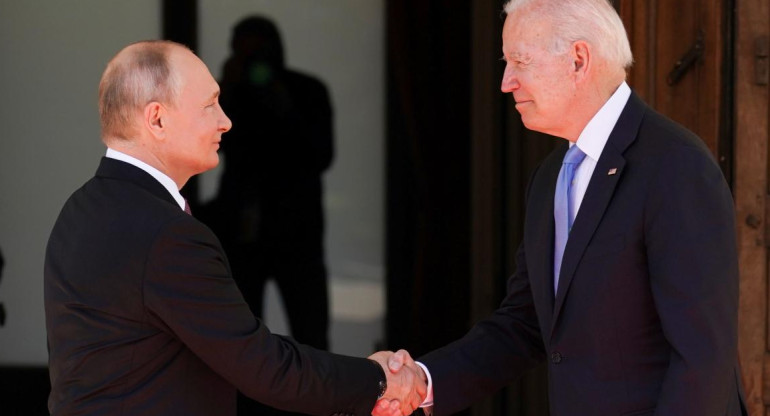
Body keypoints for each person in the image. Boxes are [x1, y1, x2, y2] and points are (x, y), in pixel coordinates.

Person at [377, 0, 748, 415]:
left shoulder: (675, 166)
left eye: (519, 61)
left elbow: (703, 360)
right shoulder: (551, 175)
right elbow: (524, 323)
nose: (506, 81)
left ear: (578, 60)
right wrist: (422, 382)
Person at [43, 40, 425, 416]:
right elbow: (265, 367)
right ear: (157, 119)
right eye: (209, 105)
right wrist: (378, 379)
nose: (226, 121)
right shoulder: (167, 234)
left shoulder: (79, 210)